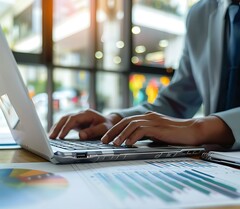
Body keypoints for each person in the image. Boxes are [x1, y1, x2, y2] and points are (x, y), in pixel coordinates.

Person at [50, 0, 240, 150]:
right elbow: (176, 102)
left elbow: (191, 124)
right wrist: (116, 121)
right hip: (218, 163)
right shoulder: (201, 14)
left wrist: (200, 128)